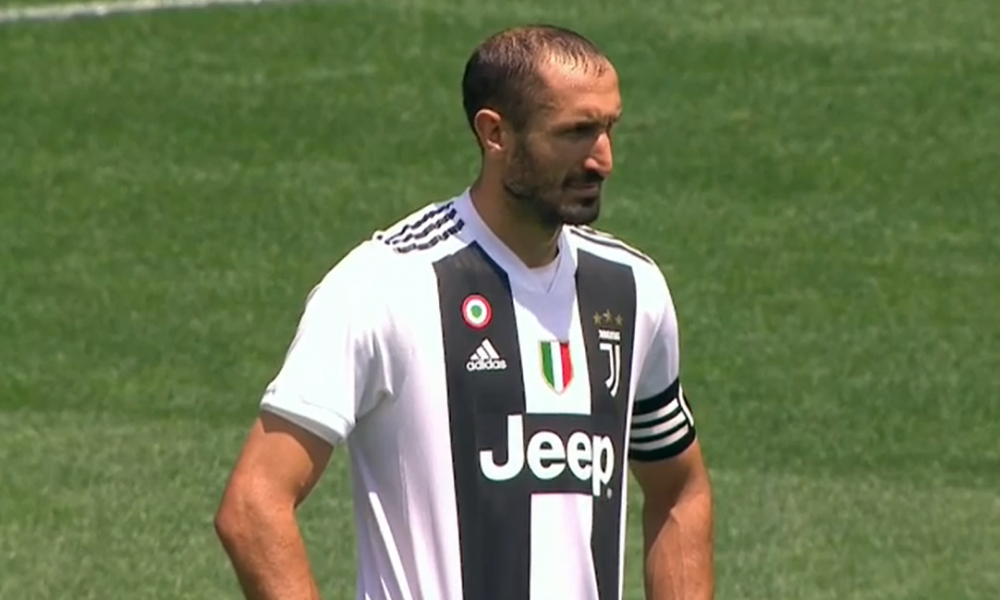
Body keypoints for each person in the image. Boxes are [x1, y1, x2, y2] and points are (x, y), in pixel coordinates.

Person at [214, 23, 714, 600]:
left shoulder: (630, 291)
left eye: (609, 128)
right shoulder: (385, 285)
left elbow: (680, 490)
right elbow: (253, 506)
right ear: (494, 133)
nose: (603, 159)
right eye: (576, 132)